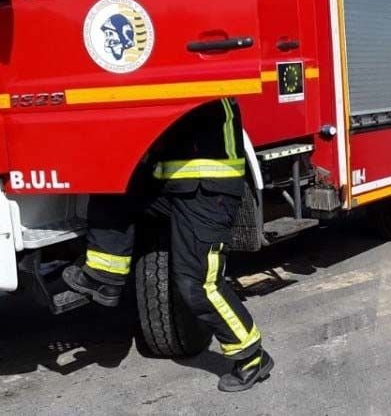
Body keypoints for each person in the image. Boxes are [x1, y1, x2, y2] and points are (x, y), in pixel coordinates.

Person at [63, 98, 274, 392]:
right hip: (175, 185)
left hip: (209, 193)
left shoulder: (214, 83)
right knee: (111, 188)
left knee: (198, 284)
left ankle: (251, 356)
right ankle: (104, 277)